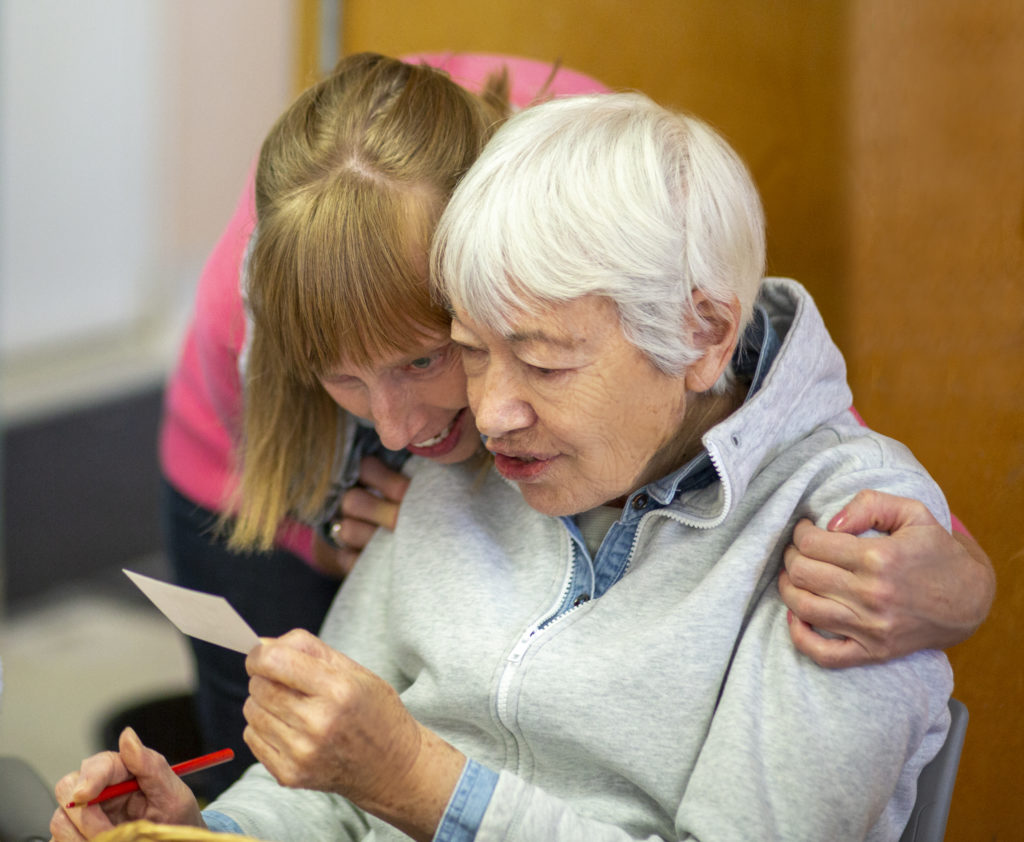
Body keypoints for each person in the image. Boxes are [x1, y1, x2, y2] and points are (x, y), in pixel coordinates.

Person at [55, 92, 955, 842]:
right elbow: (326, 786)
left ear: (704, 335)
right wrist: (208, 833)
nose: (484, 419)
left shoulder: (855, 553)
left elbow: (389, 774)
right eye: (469, 353)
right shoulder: (481, 456)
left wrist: (418, 780)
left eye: (544, 362)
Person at [157, 50, 610, 795]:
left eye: (425, 360)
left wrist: (861, 531)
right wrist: (335, 540)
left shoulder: (597, 183)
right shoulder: (237, 318)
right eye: (343, 378)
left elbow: (741, 356)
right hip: (255, 498)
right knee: (274, 771)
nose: (397, 432)